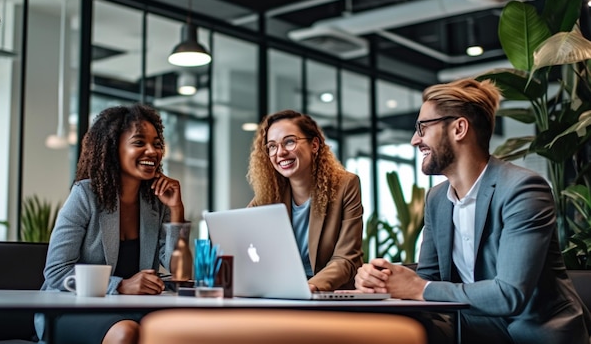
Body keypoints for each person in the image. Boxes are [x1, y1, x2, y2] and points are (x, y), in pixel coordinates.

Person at [354, 78, 591, 344]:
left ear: (459, 128)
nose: (414, 140)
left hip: (533, 335)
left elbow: (509, 294)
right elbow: (428, 278)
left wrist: (419, 288)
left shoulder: (522, 189)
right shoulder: (437, 199)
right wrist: (382, 280)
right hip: (472, 332)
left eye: (422, 127)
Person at [35, 104, 191, 344]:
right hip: (74, 308)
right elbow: (56, 272)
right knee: (125, 333)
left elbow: (180, 272)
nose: (152, 151)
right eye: (139, 142)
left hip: (134, 310)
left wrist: (176, 210)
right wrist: (120, 286)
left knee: (190, 328)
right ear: (113, 148)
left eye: (157, 144)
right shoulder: (85, 196)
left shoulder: (155, 202)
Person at [247, 109, 363, 291]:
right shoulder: (269, 195)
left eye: (290, 142)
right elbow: (240, 239)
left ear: (314, 145)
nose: (280, 153)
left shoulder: (346, 185)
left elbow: (347, 258)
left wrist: (310, 286)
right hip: (280, 291)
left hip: (325, 294)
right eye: (272, 146)